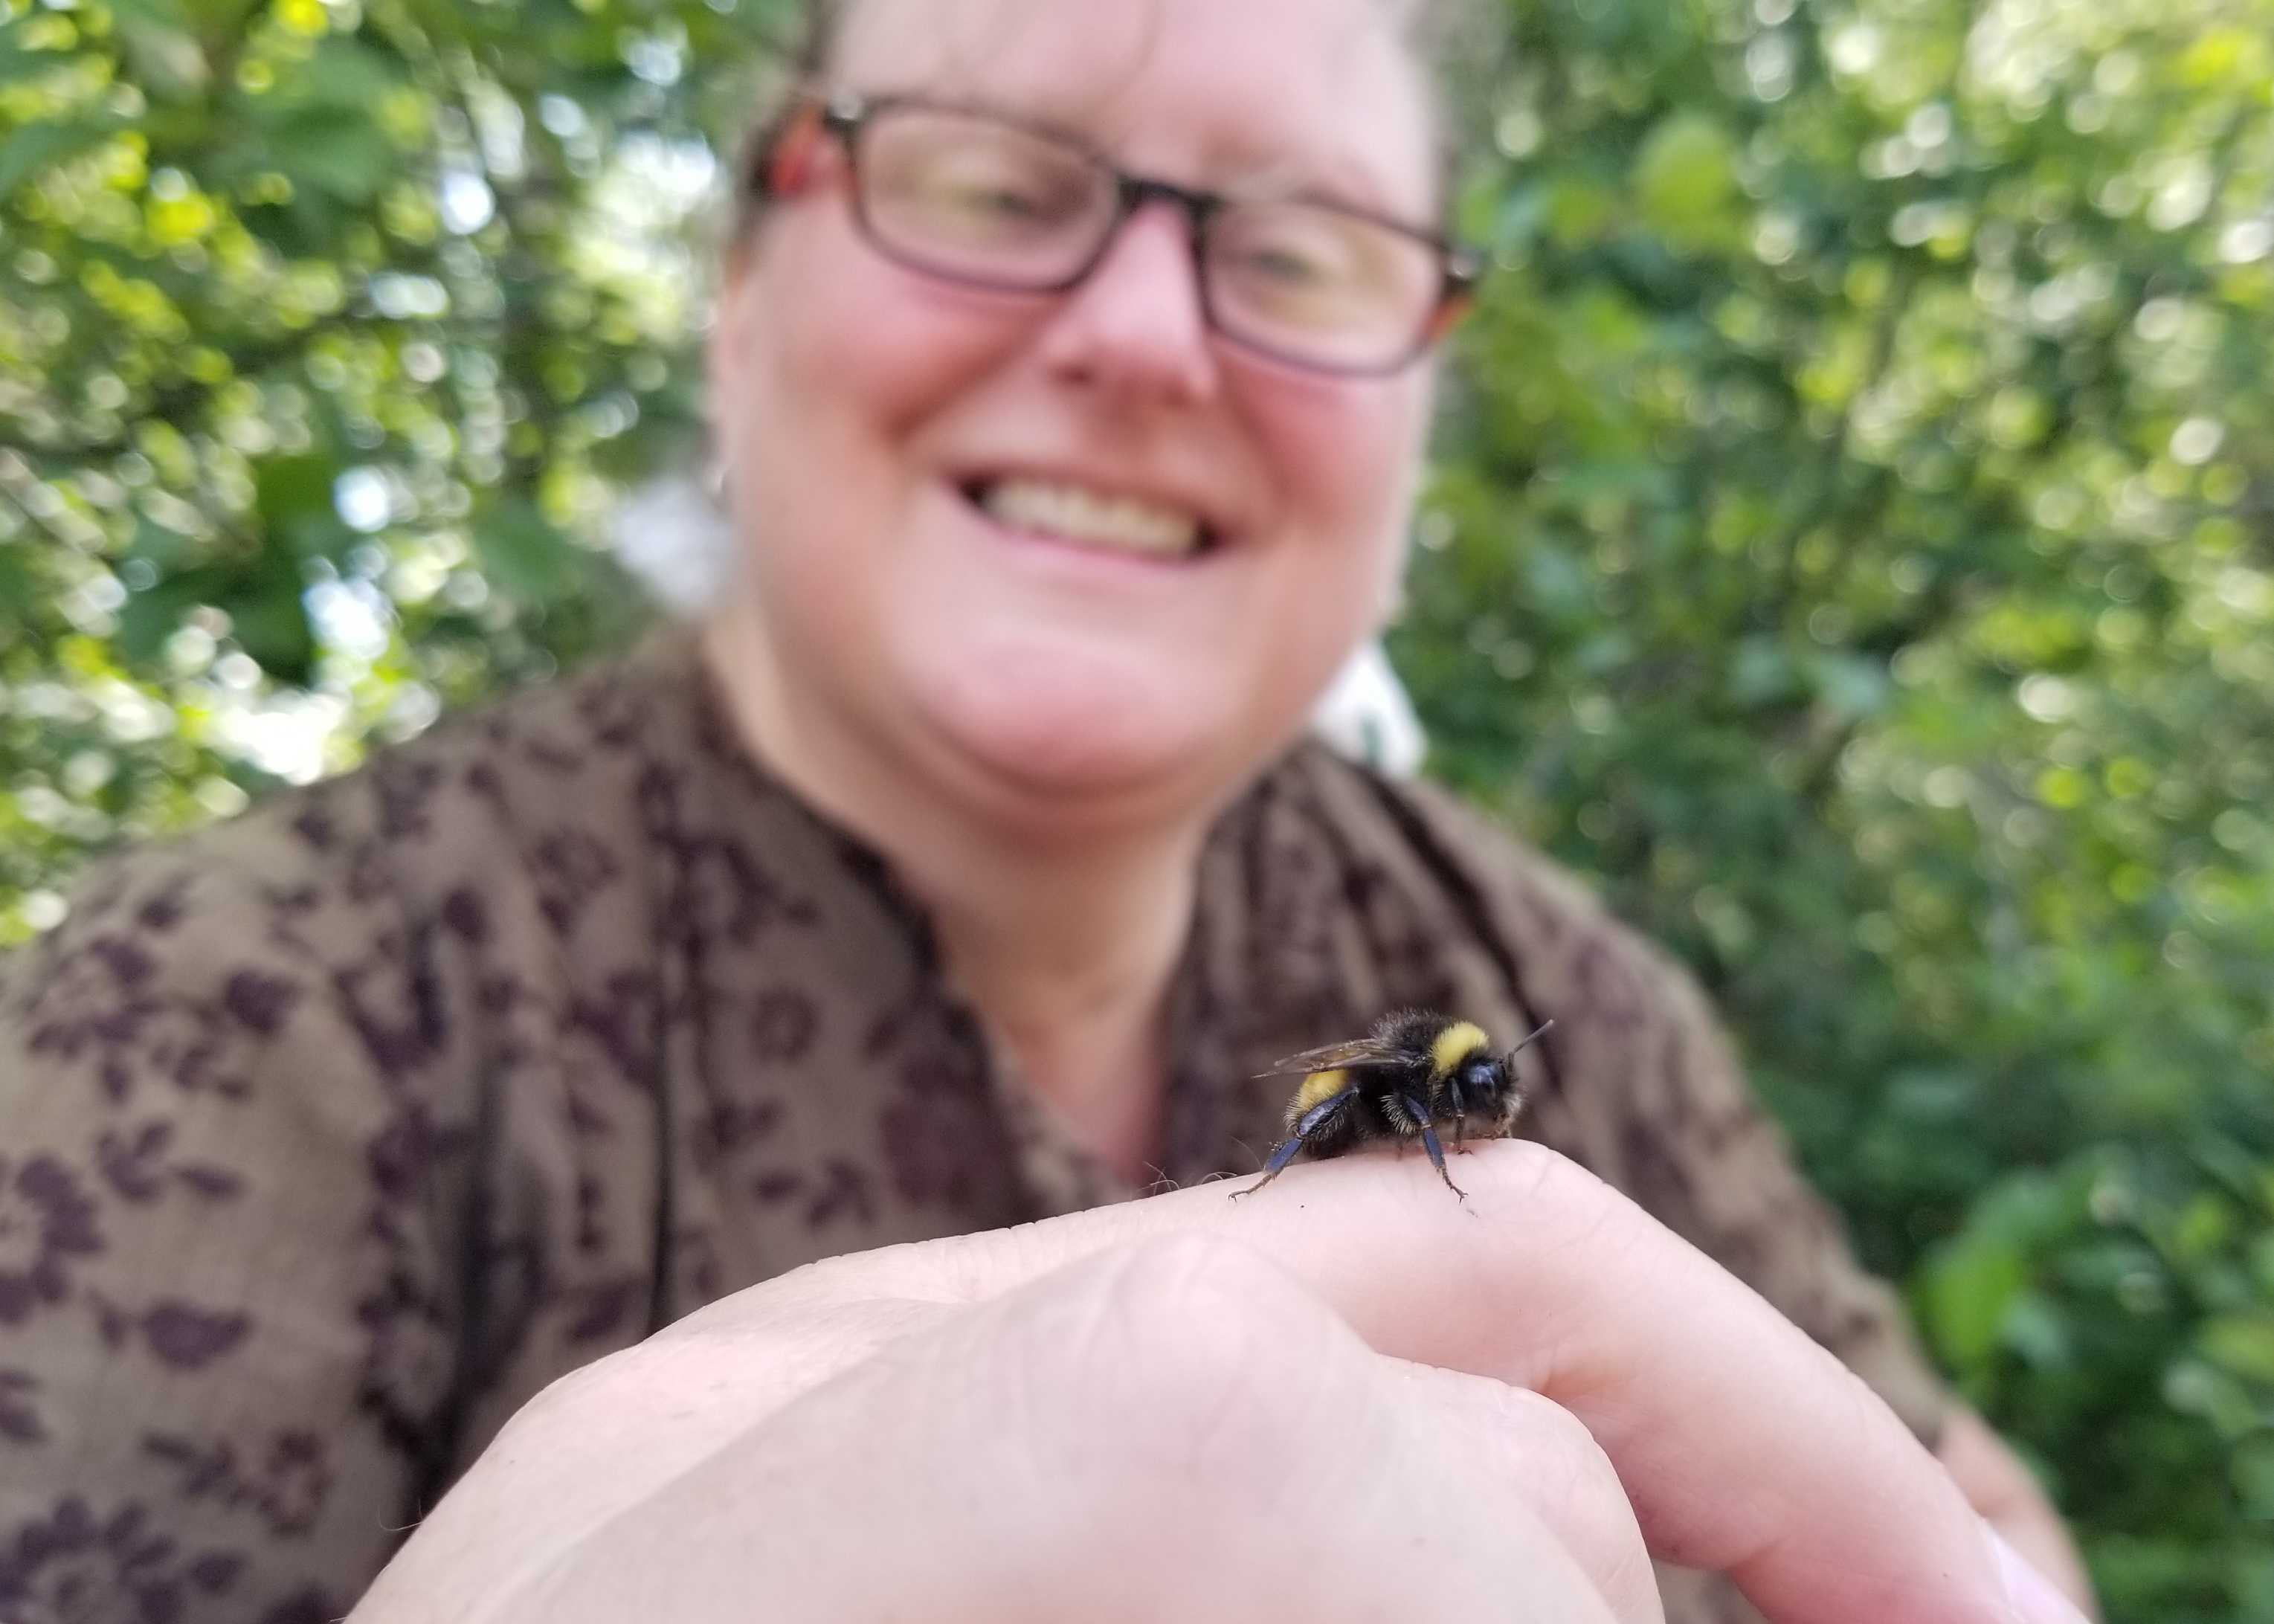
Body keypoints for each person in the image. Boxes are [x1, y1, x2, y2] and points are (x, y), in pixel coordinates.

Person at [0, 0, 2093, 1618]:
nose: (1138, 337)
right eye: (998, 189)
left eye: (1296, 248)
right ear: (739, 297)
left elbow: (1947, 1485)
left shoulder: (1554, 992)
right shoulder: (233, 1024)